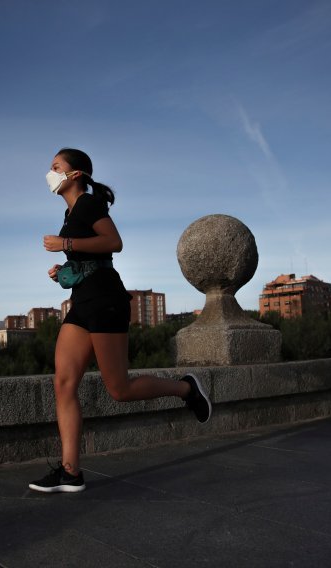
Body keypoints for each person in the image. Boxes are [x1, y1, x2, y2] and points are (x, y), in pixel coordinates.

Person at [28, 148, 211, 494]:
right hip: (81, 302)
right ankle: (70, 472)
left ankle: (186, 388)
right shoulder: (70, 214)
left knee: (119, 389)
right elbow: (91, 260)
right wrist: (64, 271)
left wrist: (65, 243)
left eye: (56, 167)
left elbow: (114, 242)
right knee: (63, 384)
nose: (49, 173)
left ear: (76, 174)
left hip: (106, 302)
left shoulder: (88, 204)